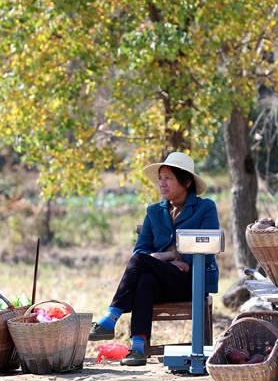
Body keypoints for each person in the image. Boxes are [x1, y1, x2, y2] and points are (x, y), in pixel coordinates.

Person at [88, 152, 220, 366]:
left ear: (186, 181)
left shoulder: (205, 208)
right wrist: (170, 257)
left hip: (192, 281)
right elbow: (139, 252)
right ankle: (138, 348)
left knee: (143, 264)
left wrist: (169, 256)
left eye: (168, 178)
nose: (162, 183)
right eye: (160, 178)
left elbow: (208, 248)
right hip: (161, 280)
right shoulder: (154, 212)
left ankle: (111, 317)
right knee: (145, 279)